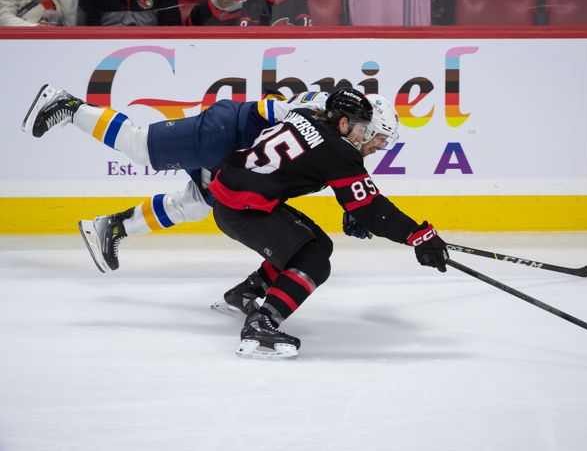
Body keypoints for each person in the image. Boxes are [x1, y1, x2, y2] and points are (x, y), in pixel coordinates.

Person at [22, 84, 394, 273]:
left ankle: (112, 227)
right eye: (376, 136)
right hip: (225, 132)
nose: (376, 145)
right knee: (139, 146)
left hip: (237, 160)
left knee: (198, 203)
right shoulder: (325, 110)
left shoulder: (341, 127)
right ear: (363, 122)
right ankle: (67, 106)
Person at [208, 87, 448, 359]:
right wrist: (419, 235)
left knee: (319, 244)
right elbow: (371, 208)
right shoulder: (340, 152)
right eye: (377, 136)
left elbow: (315, 161)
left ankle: (247, 292)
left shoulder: (307, 115)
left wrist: (352, 203)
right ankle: (261, 323)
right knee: (314, 262)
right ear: (345, 123)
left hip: (234, 197)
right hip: (243, 209)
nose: (379, 145)